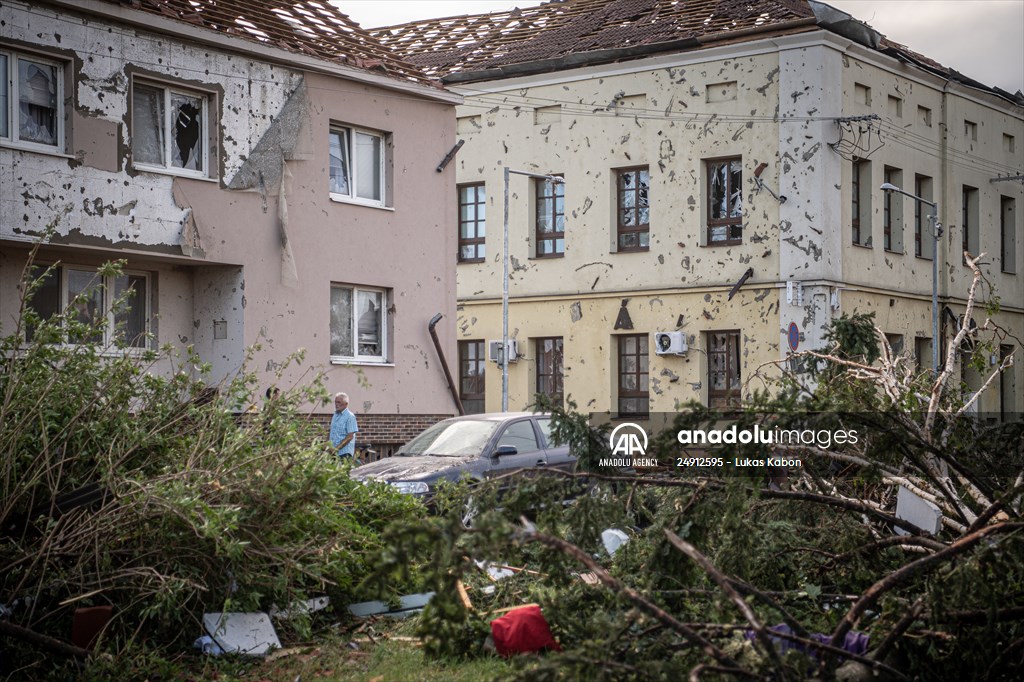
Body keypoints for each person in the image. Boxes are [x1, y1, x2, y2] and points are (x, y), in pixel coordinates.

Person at [329, 392, 359, 460]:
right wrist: (328, 445)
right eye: (335, 402)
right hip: (333, 453)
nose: (336, 404)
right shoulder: (335, 415)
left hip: (344, 453)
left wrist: (336, 448)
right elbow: (331, 431)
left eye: (339, 402)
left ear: (346, 404)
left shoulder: (350, 416)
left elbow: (350, 436)